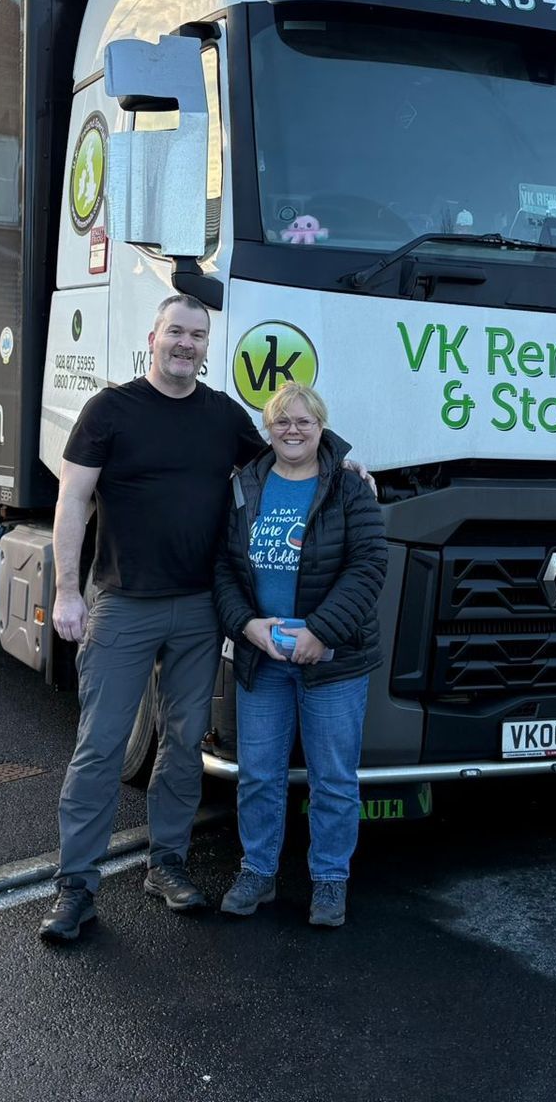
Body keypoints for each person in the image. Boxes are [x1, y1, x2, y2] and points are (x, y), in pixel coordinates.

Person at [38, 297, 370, 944]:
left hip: (198, 610)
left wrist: (346, 463)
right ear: (153, 336)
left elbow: (289, 451)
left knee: (184, 745)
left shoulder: (222, 417)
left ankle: (167, 865)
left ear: (205, 345)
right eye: (176, 333)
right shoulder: (110, 410)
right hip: (122, 602)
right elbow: (72, 500)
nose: (186, 344)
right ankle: (75, 887)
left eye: (197, 335)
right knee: (102, 747)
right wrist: (68, 592)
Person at [211, 381, 385, 928]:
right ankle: (258, 872)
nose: (292, 430)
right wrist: (246, 626)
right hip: (263, 659)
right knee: (259, 774)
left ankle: (330, 882)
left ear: (320, 427)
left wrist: (322, 631)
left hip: (332, 661)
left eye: (304, 422)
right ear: (268, 428)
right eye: (282, 421)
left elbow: (368, 567)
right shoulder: (246, 485)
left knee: (334, 778)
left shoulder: (349, 489)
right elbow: (224, 568)